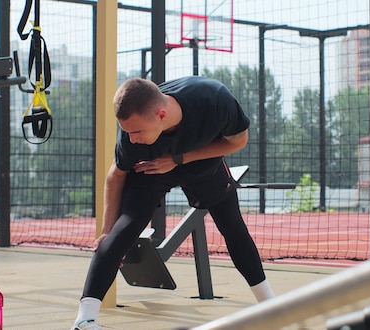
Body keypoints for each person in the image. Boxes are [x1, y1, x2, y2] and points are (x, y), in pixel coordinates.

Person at [71, 76, 275, 330]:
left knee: (233, 227)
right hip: (151, 169)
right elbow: (116, 175)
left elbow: (238, 141)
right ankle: (84, 319)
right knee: (120, 232)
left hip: (202, 162)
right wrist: (106, 231)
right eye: (127, 132)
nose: (131, 138)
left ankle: (271, 307)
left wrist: (179, 158)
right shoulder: (132, 140)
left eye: (136, 131)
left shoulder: (214, 101)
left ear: (161, 115)